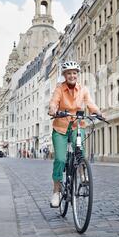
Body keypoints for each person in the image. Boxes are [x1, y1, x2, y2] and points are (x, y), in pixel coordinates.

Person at [48, 61, 103, 208]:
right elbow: (54, 102)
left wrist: (97, 112)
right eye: (69, 73)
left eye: (74, 73)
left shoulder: (83, 90)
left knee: (79, 152)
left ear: (77, 75)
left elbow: (90, 103)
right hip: (60, 128)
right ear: (64, 75)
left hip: (77, 125)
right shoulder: (59, 89)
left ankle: (81, 174)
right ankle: (56, 190)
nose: (72, 75)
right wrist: (53, 110)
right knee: (60, 159)